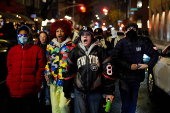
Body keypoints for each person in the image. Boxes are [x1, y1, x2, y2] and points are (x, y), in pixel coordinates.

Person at [63, 26, 115, 113]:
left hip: (96, 91)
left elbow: (108, 73)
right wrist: (67, 92)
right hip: (79, 92)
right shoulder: (74, 52)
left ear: (92, 37)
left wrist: (109, 92)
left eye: (88, 34)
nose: (85, 36)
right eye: (82, 35)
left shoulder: (100, 51)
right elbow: (69, 73)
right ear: (80, 38)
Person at [109, 23, 158, 113]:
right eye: (129, 28)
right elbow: (115, 58)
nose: (131, 30)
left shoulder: (141, 42)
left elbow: (154, 54)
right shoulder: (121, 43)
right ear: (126, 31)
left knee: (133, 103)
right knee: (126, 104)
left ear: (137, 31)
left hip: (136, 78)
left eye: (134, 28)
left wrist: (148, 65)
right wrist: (128, 66)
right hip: (124, 78)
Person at [6, 25, 46, 113]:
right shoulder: (12, 51)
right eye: (20, 35)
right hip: (15, 89)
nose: (22, 37)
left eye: (24, 35)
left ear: (29, 36)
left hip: (31, 90)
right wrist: (9, 82)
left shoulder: (37, 50)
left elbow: (41, 68)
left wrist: (37, 82)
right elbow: (10, 68)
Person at [44, 19, 76, 113]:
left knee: (63, 107)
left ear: (66, 31)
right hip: (53, 81)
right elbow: (48, 61)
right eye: (57, 31)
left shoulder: (72, 46)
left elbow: (74, 64)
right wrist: (47, 72)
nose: (59, 33)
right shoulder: (50, 46)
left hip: (66, 82)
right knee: (55, 108)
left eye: (62, 30)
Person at [37, 31, 51, 106]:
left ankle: (47, 99)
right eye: (41, 36)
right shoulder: (36, 47)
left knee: (47, 84)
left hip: (47, 68)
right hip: (39, 68)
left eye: (44, 36)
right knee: (39, 84)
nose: (42, 38)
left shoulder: (50, 47)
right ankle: (38, 98)